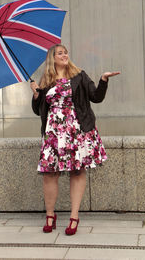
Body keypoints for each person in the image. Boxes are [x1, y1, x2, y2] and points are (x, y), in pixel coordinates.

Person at [30, 44, 120, 235]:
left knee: (77, 171)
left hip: (76, 131)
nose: (64, 55)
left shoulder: (79, 75)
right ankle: (50, 215)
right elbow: (38, 109)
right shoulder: (46, 80)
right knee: (49, 173)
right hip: (53, 132)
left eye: (65, 52)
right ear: (52, 59)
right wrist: (37, 93)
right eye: (59, 53)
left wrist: (103, 79)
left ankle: (74, 216)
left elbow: (96, 97)